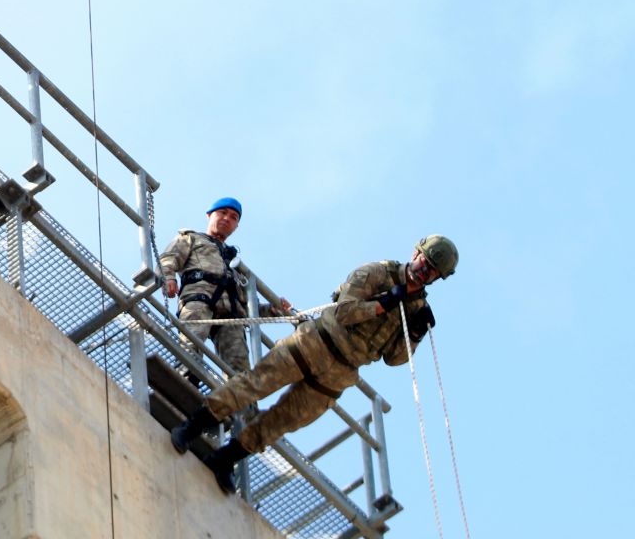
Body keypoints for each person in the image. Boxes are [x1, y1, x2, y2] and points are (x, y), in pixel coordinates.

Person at [170, 235, 458, 495]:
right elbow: (344, 312)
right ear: (415, 252)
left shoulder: (415, 309)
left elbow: (394, 359)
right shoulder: (378, 273)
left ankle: (225, 459)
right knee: (255, 385)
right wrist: (384, 303)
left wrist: (416, 337)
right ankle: (193, 427)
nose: (425, 270)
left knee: (282, 421)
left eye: (432, 270)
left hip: (340, 373)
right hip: (315, 343)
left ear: (437, 278)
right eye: (425, 261)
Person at [159, 197, 291, 377]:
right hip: (199, 299)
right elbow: (169, 259)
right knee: (191, 341)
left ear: (236, 226)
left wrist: (273, 310)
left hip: (232, 315)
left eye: (233, 217)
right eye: (222, 213)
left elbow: (250, 307)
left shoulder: (236, 265)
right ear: (209, 215)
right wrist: (169, 278)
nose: (227, 219)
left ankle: (241, 402)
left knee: (239, 362)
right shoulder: (191, 239)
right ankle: (185, 380)